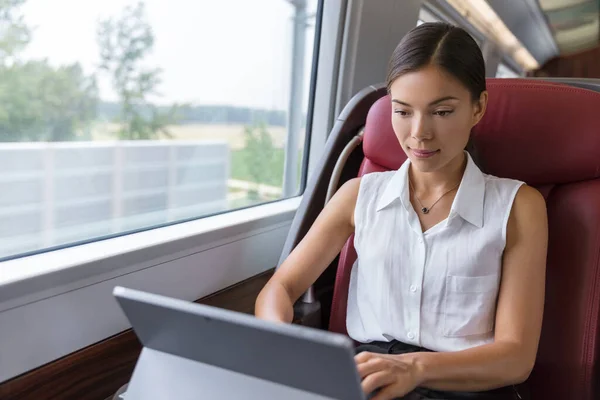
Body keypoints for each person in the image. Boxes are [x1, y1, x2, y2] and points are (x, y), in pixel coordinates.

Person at [255, 22, 548, 400]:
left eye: (441, 112)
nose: (419, 133)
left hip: (464, 385)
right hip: (368, 378)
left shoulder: (518, 207)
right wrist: (283, 341)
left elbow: (515, 358)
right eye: (403, 111)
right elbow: (279, 287)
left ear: (478, 108)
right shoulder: (358, 195)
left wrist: (413, 368)